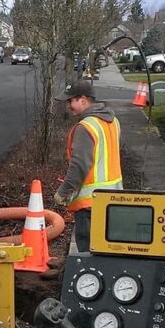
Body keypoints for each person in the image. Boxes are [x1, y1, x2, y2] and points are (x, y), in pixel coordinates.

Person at [54, 80, 123, 252]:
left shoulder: (86, 127)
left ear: (83, 100)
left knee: (87, 256)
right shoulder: (112, 122)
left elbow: (79, 165)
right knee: (106, 250)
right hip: (114, 201)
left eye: (71, 101)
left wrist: (64, 193)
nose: (69, 106)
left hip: (90, 205)